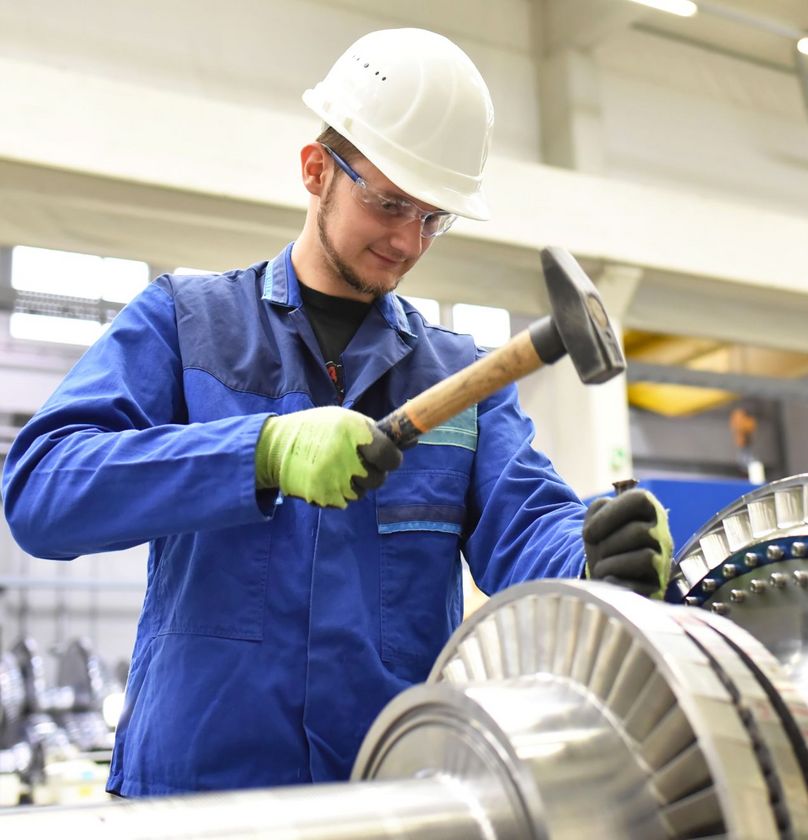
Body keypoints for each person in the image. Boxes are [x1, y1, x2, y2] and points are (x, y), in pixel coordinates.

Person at [1, 28, 672, 797]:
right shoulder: (184, 323)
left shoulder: (460, 376)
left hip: (386, 797)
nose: (408, 240)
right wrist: (259, 452)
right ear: (316, 169)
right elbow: (41, 493)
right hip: (197, 802)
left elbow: (528, 528)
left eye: (434, 218)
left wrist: (594, 558)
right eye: (389, 202)